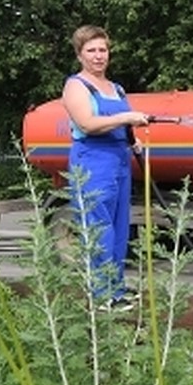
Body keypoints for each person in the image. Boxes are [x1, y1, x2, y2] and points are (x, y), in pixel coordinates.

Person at [62, 24, 149, 308]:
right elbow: (87, 123)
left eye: (103, 49)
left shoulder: (115, 88)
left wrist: (132, 142)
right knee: (99, 229)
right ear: (80, 55)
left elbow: (123, 124)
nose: (99, 56)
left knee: (120, 227)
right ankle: (101, 295)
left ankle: (117, 287)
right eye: (91, 50)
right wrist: (126, 118)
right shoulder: (76, 85)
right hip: (92, 162)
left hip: (119, 161)